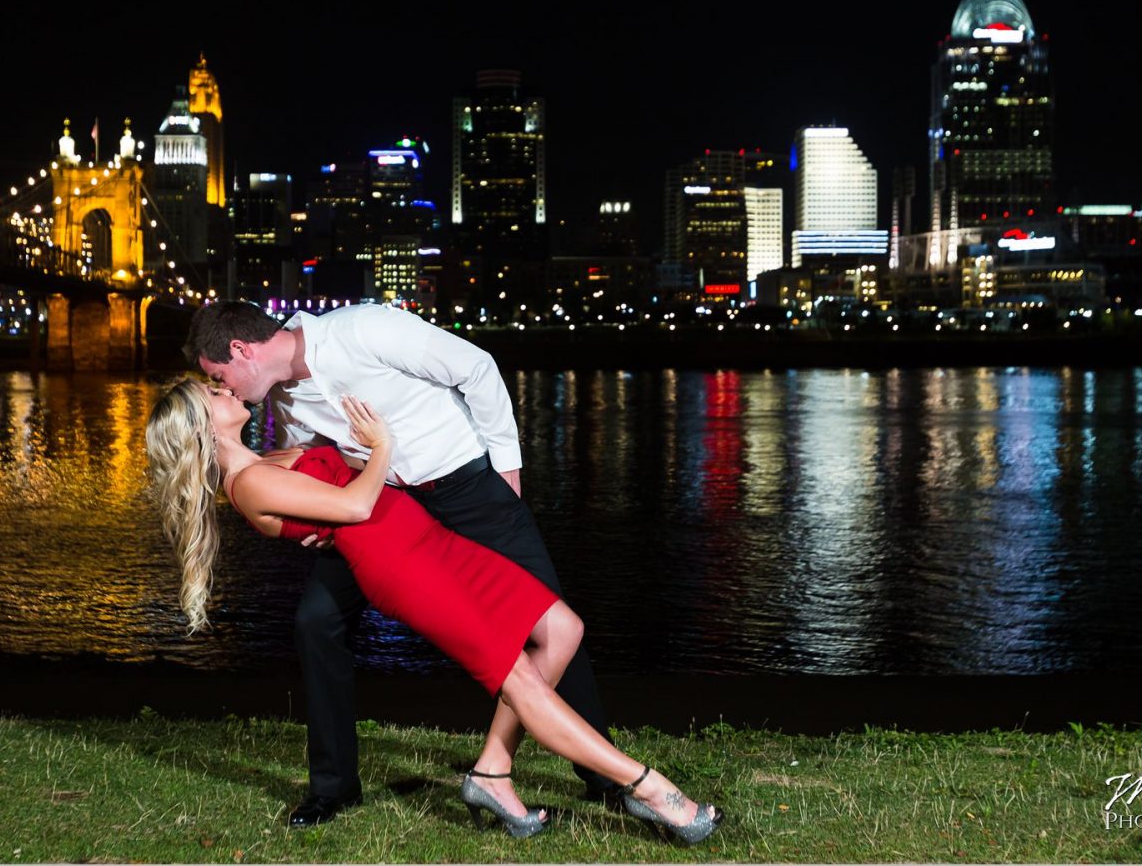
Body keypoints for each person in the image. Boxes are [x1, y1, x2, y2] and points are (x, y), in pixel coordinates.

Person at [144, 378, 724, 843]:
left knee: (562, 628)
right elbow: (355, 501)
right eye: (211, 396)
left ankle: (492, 772)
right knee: (519, 677)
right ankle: (650, 789)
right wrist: (382, 446)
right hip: (407, 570)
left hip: (435, 546)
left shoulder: (266, 457)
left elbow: (332, 492)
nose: (224, 391)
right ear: (202, 426)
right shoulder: (246, 483)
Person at [182, 301, 615, 828]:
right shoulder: (283, 396)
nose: (223, 388)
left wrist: (506, 466)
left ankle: (605, 780)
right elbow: (312, 457)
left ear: (240, 350)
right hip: (384, 511)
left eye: (217, 376)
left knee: (548, 619)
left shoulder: (365, 329)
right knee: (317, 621)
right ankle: (334, 788)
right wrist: (313, 517)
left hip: (468, 487)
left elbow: (476, 367)